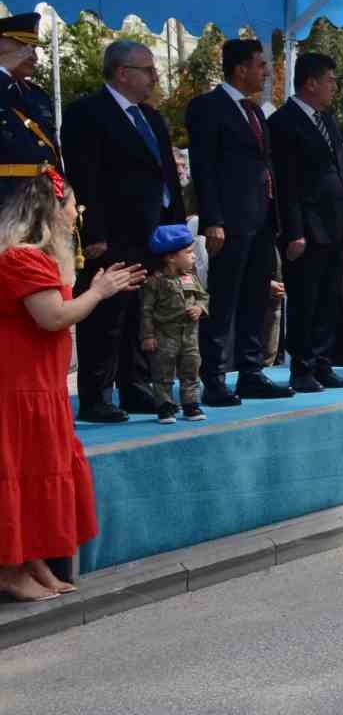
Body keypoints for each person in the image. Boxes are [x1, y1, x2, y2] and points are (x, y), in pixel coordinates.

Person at [1, 171, 144, 600]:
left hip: (40, 386)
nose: (76, 214)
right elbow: (54, 316)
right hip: (17, 388)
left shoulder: (34, 258)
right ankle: (9, 569)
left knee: (36, 475)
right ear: (49, 209)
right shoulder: (20, 257)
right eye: (71, 205)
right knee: (19, 477)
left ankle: (31, 560)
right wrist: (99, 291)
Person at [61, 40, 185, 421]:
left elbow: (166, 176)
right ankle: (97, 394)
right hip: (111, 233)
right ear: (122, 72)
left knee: (140, 313)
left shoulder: (150, 116)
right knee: (106, 314)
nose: (154, 77)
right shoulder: (87, 112)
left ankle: (136, 387)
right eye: (148, 70)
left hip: (150, 232)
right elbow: (85, 175)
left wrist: (175, 227)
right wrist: (93, 231)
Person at [186, 38, 286, 400]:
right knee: (224, 299)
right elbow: (204, 166)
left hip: (260, 220)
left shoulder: (256, 111)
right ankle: (212, 377)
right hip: (228, 221)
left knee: (256, 297)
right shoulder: (208, 107)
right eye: (260, 65)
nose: (265, 73)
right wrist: (213, 218)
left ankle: (250, 370)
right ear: (240, 68)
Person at [267, 52, 343, 393]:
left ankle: (322, 363)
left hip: (334, 226)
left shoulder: (327, 119)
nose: (334, 87)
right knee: (305, 299)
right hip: (306, 228)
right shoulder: (283, 122)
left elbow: (338, 172)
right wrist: (294, 231)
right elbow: (286, 182)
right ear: (311, 82)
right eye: (330, 81)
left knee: (329, 299)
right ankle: (302, 367)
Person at [140, 224, 209, 423]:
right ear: (171, 258)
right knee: (163, 373)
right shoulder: (155, 282)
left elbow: (203, 297)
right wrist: (148, 336)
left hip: (189, 336)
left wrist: (199, 308)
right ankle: (165, 406)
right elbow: (146, 311)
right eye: (188, 252)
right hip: (165, 337)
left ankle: (191, 405)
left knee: (191, 369)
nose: (194, 256)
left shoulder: (190, 277)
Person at [0, 13, 62, 210]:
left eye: (33, 48)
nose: (32, 56)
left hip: (41, 203)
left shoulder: (37, 95)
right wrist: (2, 70)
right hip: (6, 204)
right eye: (23, 47)